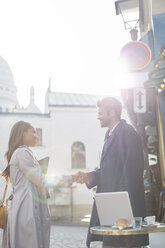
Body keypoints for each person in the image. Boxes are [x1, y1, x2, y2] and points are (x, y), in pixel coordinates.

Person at [75, 97, 149, 248]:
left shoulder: (129, 134)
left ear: (112, 112)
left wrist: (118, 207)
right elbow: (109, 170)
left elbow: (133, 174)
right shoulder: (110, 136)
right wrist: (91, 176)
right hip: (114, 210)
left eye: (101, 113)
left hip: (125, 212)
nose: (98, 117)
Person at [1, 120, 74, 248]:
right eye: (33, 132)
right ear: (23, 134)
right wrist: (70, 178)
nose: (37, 136)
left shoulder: (22, 153)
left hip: (24, 206)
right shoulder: (23, 152)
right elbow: (41, 180)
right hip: (26, 209)